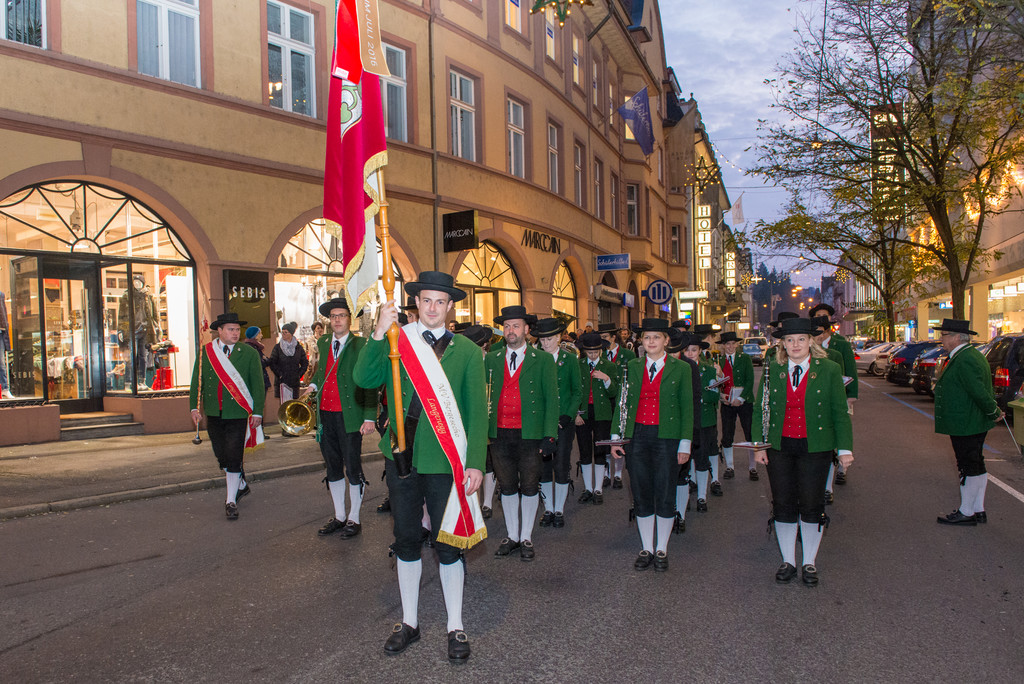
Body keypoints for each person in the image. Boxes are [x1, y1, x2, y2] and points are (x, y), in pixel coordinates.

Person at [353, 271, 486, 664]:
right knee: (406, 539)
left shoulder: (466, 351)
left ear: (449, 307)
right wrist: (379, 331)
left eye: (440, 302)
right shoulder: (398, 338)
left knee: (448, 545)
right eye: (426, 301)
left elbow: (477, 412)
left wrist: (476, 462)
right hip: (402, 456)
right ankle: (409, 621)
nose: (432, 308)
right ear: (417, 304)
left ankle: (455, 624)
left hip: (447, 461)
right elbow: (364, 378)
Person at [753, 316, 853, 587]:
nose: (795, 344)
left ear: (811, 342)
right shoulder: (774, 369)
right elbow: (761, 408)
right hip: (779, 446)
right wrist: (759, 446)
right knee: (783, 504)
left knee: (811, 504)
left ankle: (809, 562)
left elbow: (839, 412)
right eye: (789, 340)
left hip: (815, 447)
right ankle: (788, 561)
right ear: (782, 344)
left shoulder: (830, 369)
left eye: (800, 339)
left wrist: (844, 449)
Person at [610, 318, 692, 572]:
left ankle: (662, 549)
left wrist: (685, 443)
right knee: (641, 491)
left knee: (665, 493)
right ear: (641, 342)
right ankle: (646, 547)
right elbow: (622, 403)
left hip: (668, 437)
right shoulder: (631, 366)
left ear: (666, 341)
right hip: (637, 435)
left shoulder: (681, 368)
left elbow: (687, 408)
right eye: (647, 338)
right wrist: (616, 437)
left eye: (656, 337)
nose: (651, 342)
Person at [485, 306, 559, 562]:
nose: (511, 331)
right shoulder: (492, 359)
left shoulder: (543, 360)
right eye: (506, 326)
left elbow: (552, 399)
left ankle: (526, 536)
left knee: (528, 485)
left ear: (527, 330)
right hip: (499, 433)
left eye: (516, 326)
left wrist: (550, 435)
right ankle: (512, 535)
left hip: (530, 433)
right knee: (506, 486)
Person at [302, 298, 376, 537]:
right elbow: (322, 371)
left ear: (350, 319)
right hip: (326, 415)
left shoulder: (361, 344)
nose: (337, 320)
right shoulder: (323, 342)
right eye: (333, 316)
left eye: (342, 315)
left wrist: (369, 417)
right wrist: (313, 386)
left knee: (353, 468)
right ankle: (339, 516)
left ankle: (354, 518)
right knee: (332, 467)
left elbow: (370, 382)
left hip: (351, 415)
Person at [189, 312, 265, 520]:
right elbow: (198, 381)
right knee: (221, 454)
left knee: (233, 454)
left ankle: (230, 500)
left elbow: (258, 385)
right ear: (220, 331)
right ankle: (240, 482)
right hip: (213, 412)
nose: (235, 333)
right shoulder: (206, 352)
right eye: (230, 329)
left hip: (238, 413)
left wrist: (257, 411)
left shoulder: (248, 353)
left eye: (237, 329)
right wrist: (194, 408)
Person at [932, 319, 1002, 526]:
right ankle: (978, 509)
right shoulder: (968, 355)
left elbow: (977, 390)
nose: (941, 339)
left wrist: (993, 411)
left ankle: (967, 511)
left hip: (966, 422)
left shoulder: (965, 359)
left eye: (944, 334)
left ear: (955, 337)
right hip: (970, 420)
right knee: (975, 464)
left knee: (967, 466)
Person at [534, 318, 583, 529]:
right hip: (542, 422)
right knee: (544, 467)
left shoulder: (570, 359)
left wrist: (569, 414)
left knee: (561, 464)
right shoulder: (535, 359)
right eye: (543, 339)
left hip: (563, 421)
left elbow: (577, 390)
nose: (546, 343)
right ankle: (548, 509)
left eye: (550, 338)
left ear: (559, 338)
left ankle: (559, 510)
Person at [809, 304, 858, 491]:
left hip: (836, 397)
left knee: (838, 433)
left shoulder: (840, 346)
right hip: (817, 402)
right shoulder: (807, 347)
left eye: (825, 317)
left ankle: (840, 469)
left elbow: (849, 372)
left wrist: (851, 396)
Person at [575, 333, 618, 504]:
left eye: (595, 352)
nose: (592, 355)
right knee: (585, 450)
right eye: (589, 352)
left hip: (602, 414)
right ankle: (587, 488)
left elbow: (614, 392)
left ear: (600, 350)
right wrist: (576, 413)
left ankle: (598, 488)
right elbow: (573, 391)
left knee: (600, 450)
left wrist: (606, 379)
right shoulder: (578, 365)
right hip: (583, 414)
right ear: (584, 351)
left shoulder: (609, 366)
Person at [681, 332, 721, 517]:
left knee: (702, 459)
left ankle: (702, 497)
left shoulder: (709, 370)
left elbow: (714, 396)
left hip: (704, 421)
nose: (690, 354)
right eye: (687, 350)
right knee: (685, 461)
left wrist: (697, 398)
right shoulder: (680, 369)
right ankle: (686, 494)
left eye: (694, 350)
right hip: (684, 422)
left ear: (700, 351)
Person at [598, 323, 635, 489]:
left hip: (622, 399)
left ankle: (618, 475)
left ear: (614, 338)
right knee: (606, 436)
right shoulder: (600, 354)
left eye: (605, 337)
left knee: (620, 435)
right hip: (605, 399)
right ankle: (606, 473)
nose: (602, 341)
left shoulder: (627, 354)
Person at [716, 331, 755, 486]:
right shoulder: (718, 360)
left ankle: (753, 467)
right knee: (727, 434)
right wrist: (721, 396)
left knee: (750, 434)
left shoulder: (745, 358)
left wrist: (740, 398)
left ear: (737, 345)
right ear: (723, 346)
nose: (731, 347)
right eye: (727, 344)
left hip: (744, 401)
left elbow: (750, 380)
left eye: (733, 344)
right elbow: (716, 383)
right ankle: (729, 466)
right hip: (727, 403)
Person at [269, 322, 309, 404]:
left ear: (291, 333)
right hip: (282, 382)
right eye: (282, 332)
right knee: (284, 405)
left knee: (294, 405)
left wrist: (299, 374)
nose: (283, 334)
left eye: (285, 332)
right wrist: (280, 374)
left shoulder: (298, 347)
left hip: (294, 382)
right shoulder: (278, 347)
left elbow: (304, 362)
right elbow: (272, 362)